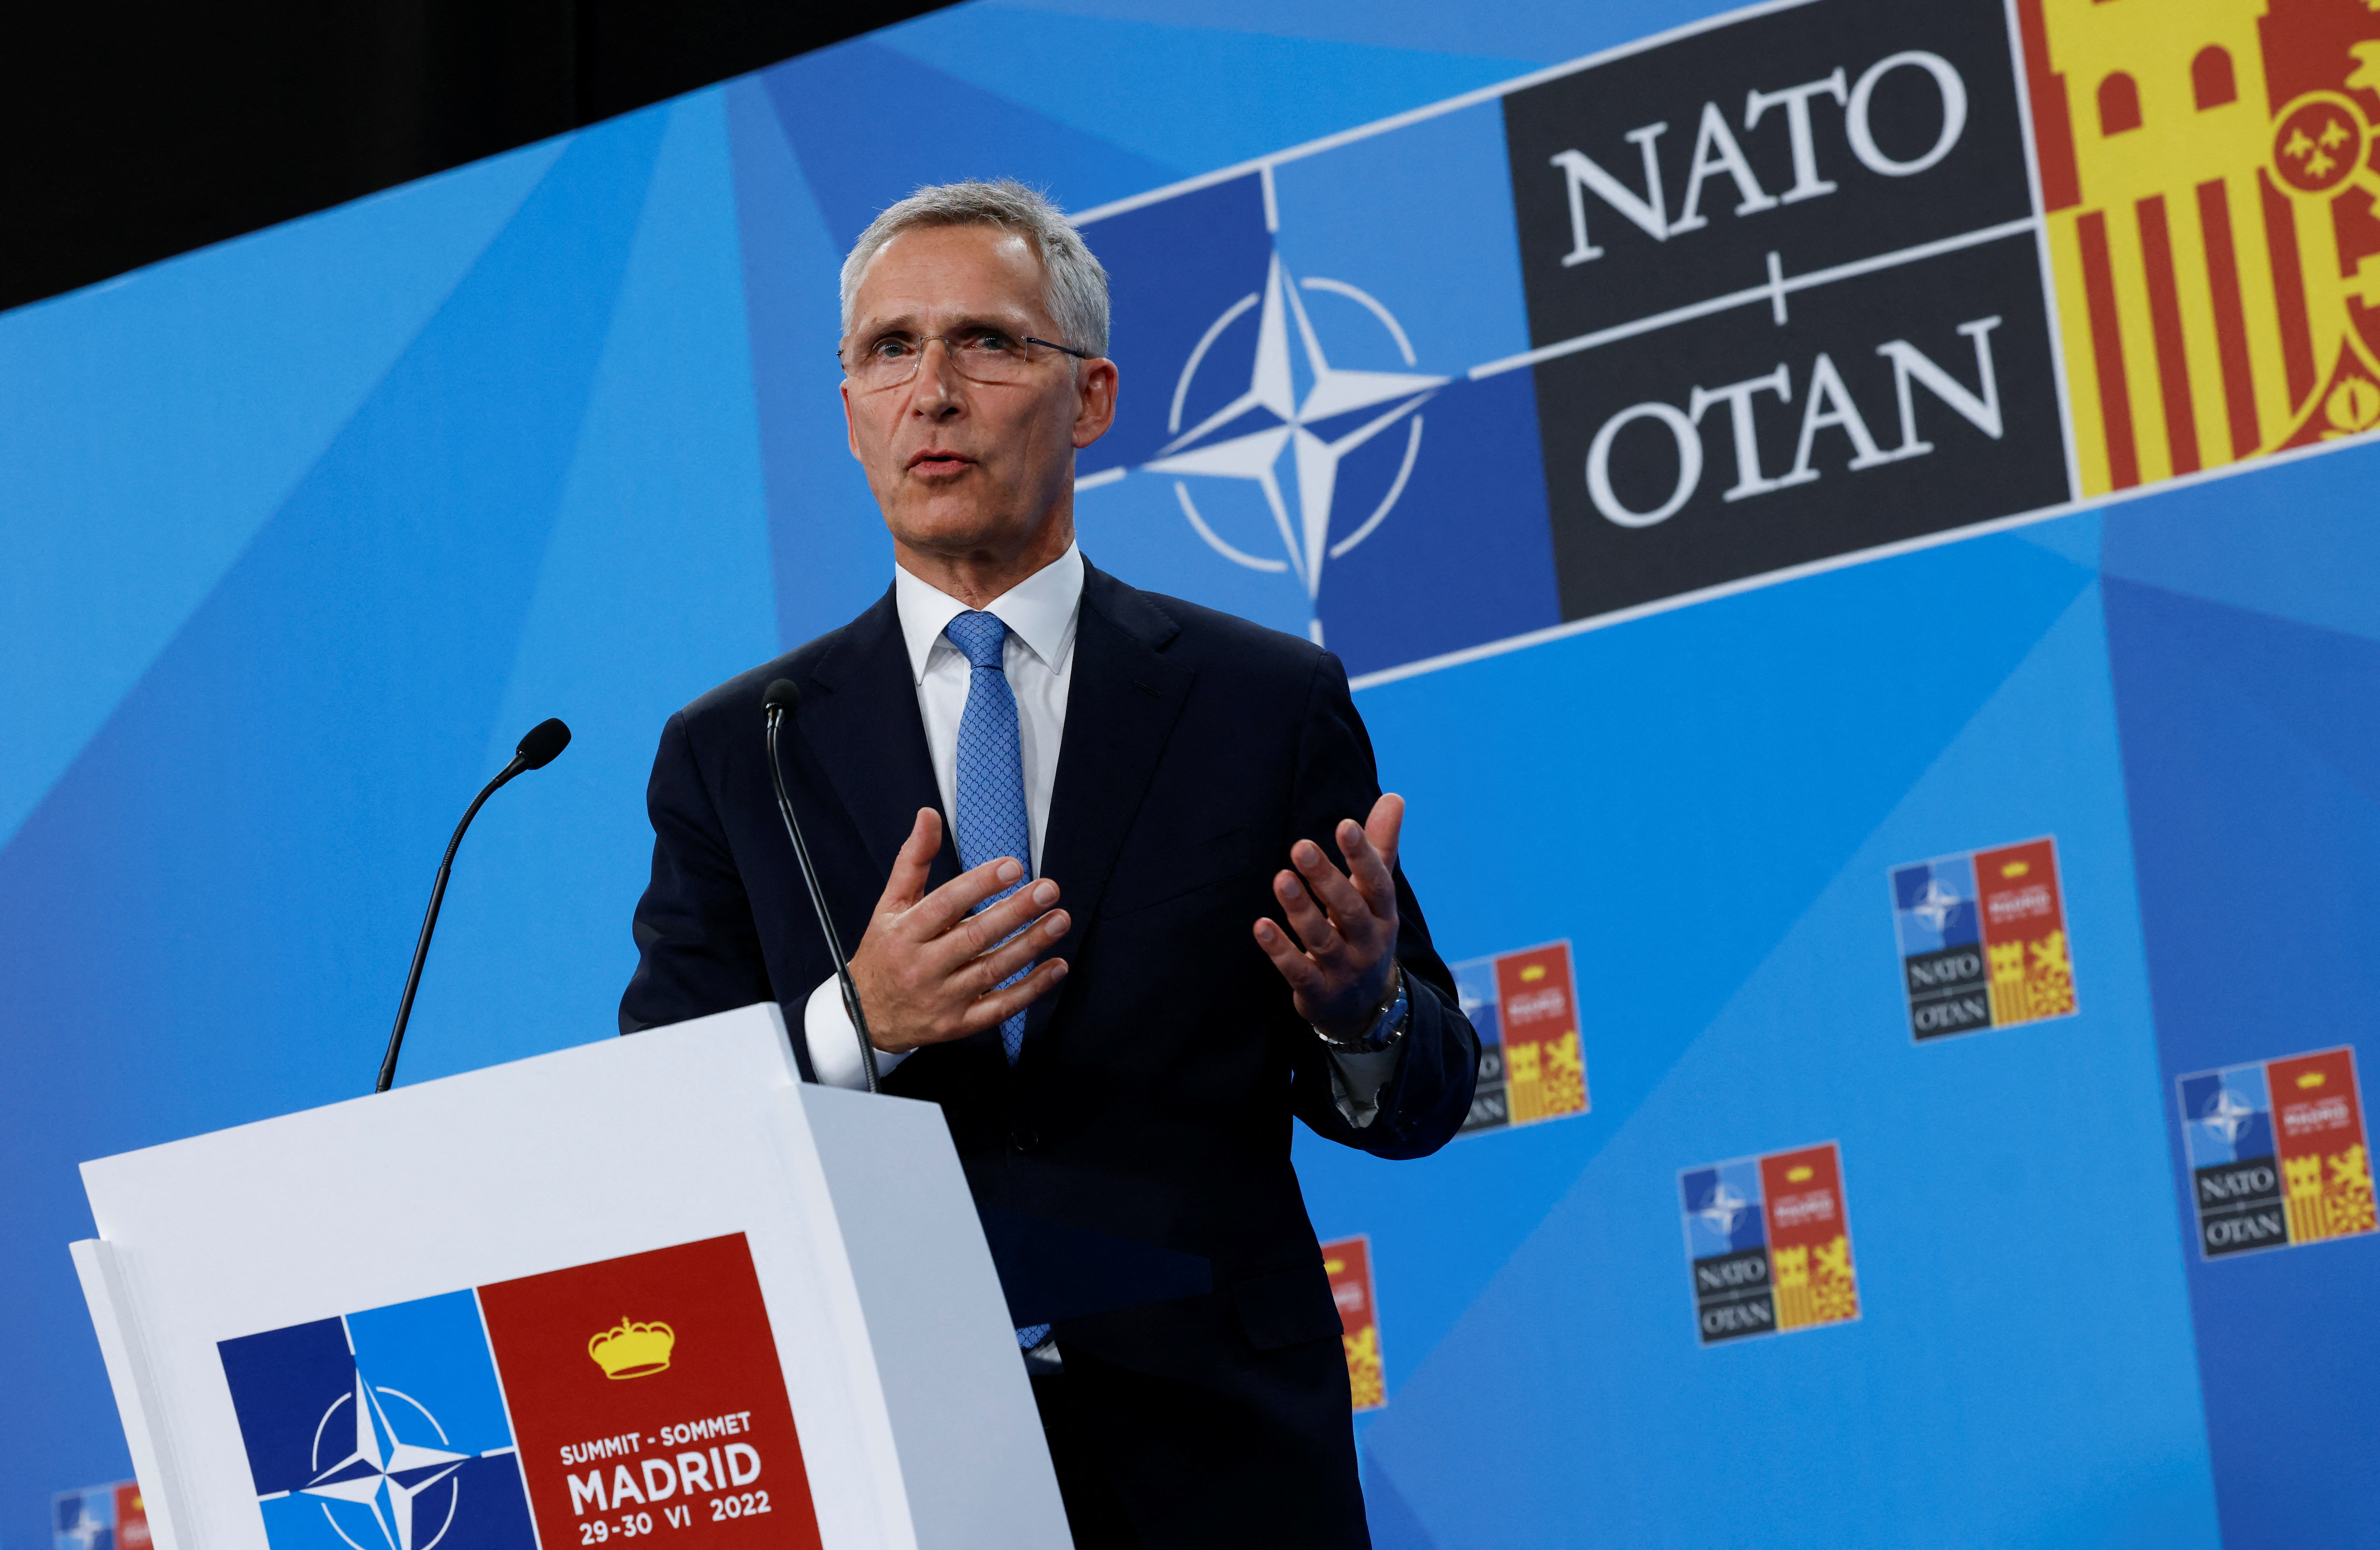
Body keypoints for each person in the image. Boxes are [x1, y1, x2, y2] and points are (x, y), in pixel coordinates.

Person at [619, 179, 1478, 1549]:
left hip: (1218, 1455)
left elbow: (1426, 1094)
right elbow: (661, 1120)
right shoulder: (741, 750)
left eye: (988, 343)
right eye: (888, 351)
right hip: (895, 1453)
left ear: (1089, 400)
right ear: (846, 409)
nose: (933, 392)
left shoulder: (1261, 703)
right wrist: (860, 1028)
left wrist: (1361, 1008)